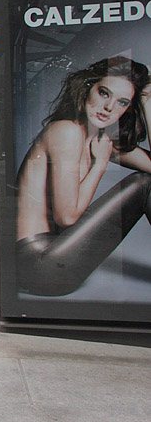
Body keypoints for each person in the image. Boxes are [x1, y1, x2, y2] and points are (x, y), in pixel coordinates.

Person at [16, 56, 151, 296]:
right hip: (39, 263)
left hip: (56, 259)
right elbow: (66, 217)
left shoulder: (97, 139)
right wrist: (100, 164)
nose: (109, 107)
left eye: (121, 102)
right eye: (104, 93)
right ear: (88, 87)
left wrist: (146, 101)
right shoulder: (67, 131)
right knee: (143, 184)